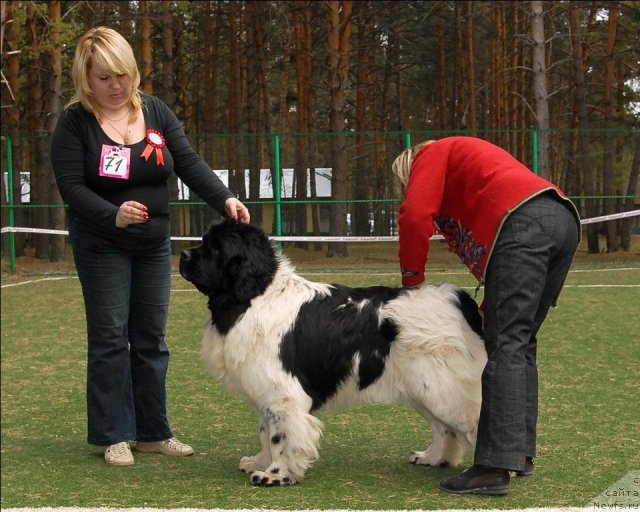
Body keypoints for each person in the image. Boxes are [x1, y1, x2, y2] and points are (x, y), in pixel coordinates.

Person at [51, 27, 250, 467]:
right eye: (104, 78)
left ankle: (152, 432)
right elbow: (71, 186)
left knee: (151, 340)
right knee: (109, 338)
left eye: (122, 74)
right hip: (102, 244)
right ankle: (113, 434)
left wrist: (224, 197)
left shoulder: (155, 111)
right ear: (86, 79)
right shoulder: (75, 122)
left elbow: (189, 162)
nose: (116, 85)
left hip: (153, 245)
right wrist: (112, 214)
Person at [391, 136, 580, 495]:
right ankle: (518, 453)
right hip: (561, 217)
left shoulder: (430, 154)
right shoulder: (469, 161)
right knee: (519, 341)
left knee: (505, 344)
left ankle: (493, 467)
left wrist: (411, 283)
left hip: (523, 222)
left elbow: (415, 215)